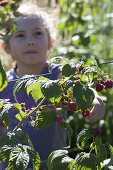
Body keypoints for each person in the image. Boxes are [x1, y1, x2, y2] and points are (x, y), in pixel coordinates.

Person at [0, 2, 105, 169]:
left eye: (38, 33)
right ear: (6, 46)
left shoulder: (59, 75)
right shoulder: (3, 85)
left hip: (54, 164)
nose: (31, 42)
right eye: (20, 35)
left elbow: (81, 88)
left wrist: (94, 101)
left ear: (50, 41)